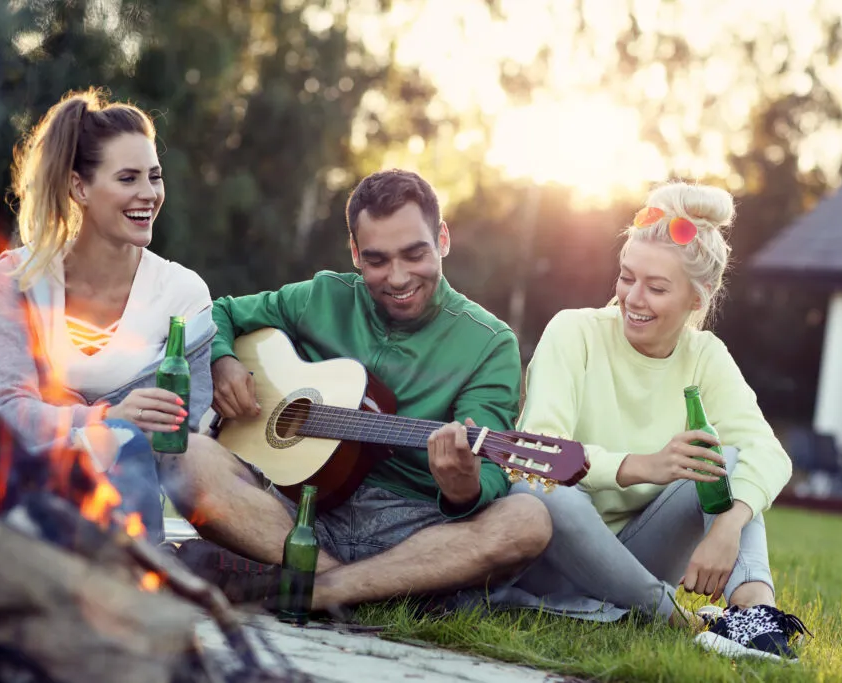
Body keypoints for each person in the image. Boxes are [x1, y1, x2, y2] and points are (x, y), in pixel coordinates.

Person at [163, 169, 552, 612]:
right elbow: (222, 313)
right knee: (182, 452)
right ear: (354, 253)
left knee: (528, 519)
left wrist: (463, 486)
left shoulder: (490, 342)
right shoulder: (321, 295)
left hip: (412, 531)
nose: (399, 277)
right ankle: (380, 591)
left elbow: (489, 476)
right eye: (378, 260)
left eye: (414, 254)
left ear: (442, 239)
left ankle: (319, 588)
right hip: (293, 508)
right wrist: (223, 361)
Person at [0, 88, 215, 544]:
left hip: (105, 484)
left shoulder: (182, 293)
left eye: (154, 177)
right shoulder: (20, 276)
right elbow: (10, 409)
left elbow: (186, 425)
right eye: (127, 178)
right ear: (79, 187)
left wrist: (96, 423)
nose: (149, 194)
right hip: (15, 466)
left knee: (120, 439)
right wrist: (102, 414)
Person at [511, 182, 810, 661]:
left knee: (727, 459)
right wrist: (641, 466)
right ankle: (669, 613)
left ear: (697, 299)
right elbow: (536, 452)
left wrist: (728, 525)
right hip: (561, 549)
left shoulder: (705, 355)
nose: (633, 298)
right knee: (537, 490)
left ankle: (757, 620)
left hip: (642, 552)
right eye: (627, 277)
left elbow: (768, 453)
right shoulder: (574, 332)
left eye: (656, 287)